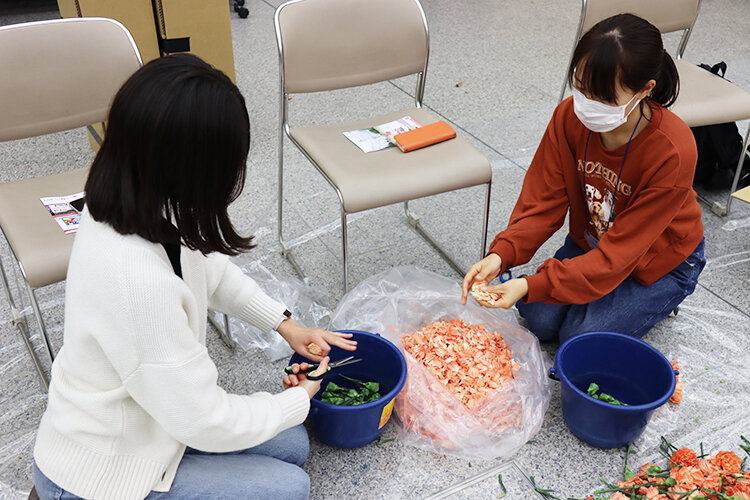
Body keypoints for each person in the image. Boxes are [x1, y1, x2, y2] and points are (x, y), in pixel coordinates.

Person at [32, 54, 356, 500]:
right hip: (104, 473)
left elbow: (208, 269)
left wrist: (286, 326)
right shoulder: (137, 282)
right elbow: (206, 420)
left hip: (154, 418)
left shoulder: (136, 194)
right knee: (288, 486)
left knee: (293, 443)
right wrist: (298, 400)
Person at [462, 13, 705, 343]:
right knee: (540, 318)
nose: (587, 105)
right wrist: (501, 254)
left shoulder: (673, 150)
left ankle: (666, 295)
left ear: (646, 89)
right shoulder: (568, 118)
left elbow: (620, 256)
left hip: (658, 261)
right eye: (580, 87)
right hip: (594, 242)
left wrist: (531, 284)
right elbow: (541, 202)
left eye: (604, 98)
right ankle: (596, 297)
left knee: (580, 336)